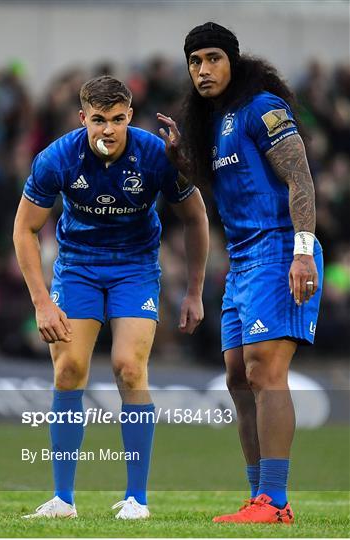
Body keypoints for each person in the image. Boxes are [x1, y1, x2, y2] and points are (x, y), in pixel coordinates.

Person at [13, 75, 209, 519]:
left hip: (135, 269)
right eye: (98, 120)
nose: (108, 130)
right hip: (78, 267)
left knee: (128, 367)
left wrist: (194, 291)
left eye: (118, 120)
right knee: (68, 370)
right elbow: (24, 228)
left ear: (130, 118)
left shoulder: (156, 155)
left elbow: (195, 218)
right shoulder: (57, 159)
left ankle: (137, 499)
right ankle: (63, 500)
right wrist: (42, 302)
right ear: (83, 118)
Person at [158, 22, 323, 525]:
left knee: (264, 371)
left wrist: (301, 252)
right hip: (242, 260)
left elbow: (300, 179)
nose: (203, 70)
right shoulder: (212, 124)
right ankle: (257, 498)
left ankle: (275, 502)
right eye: (195, 62)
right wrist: (179, 158)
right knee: (235, 377)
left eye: (212, 58)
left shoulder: (262, 109)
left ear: (233, 60)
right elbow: (213, 186)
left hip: (279, 249)